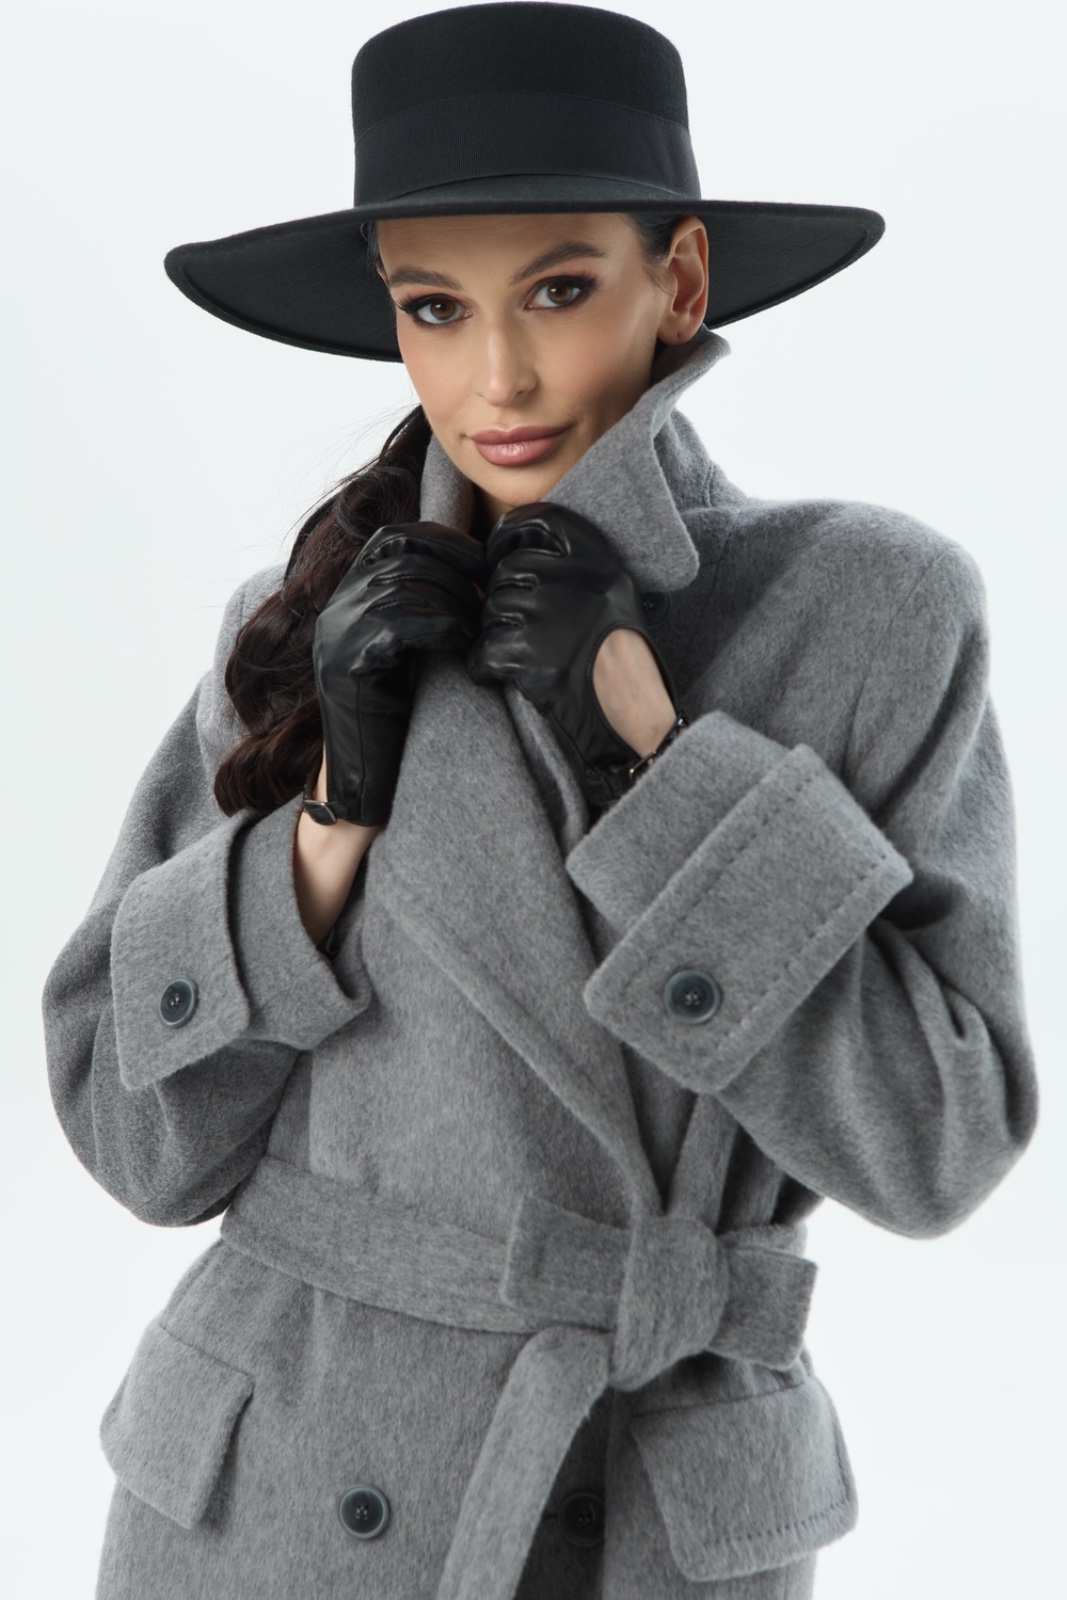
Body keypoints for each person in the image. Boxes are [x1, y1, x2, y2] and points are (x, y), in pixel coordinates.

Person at [40, 6, 1039, 1599]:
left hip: (644, 1500)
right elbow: (131, 1141)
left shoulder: (870, 608)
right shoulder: (300, 623)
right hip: (273, 1495)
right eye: (435, 308)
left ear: (682, 282)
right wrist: (325, 825)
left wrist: (653, 760)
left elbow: (939, 1145)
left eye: (560, 291)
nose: (495, 376)